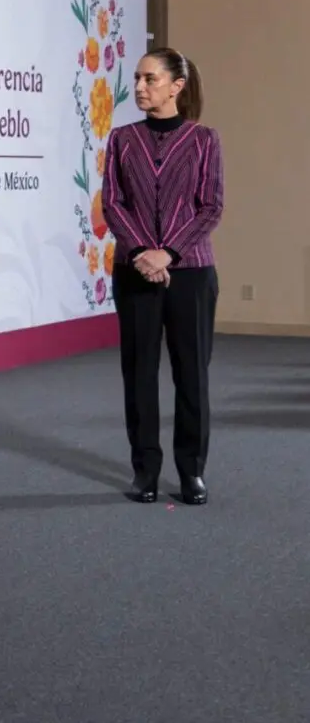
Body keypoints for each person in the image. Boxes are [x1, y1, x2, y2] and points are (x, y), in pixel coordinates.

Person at [100, 48, 224, 506]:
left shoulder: (205, 140)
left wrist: (167, 253)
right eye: (136, 78)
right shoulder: (120, 139)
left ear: (177, 86)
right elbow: (113, 204)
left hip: (190, 273)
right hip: (134, 271)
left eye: (150, 79)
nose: (139, 87)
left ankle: (191, 472)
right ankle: (145, 471)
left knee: (191, 375)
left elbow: (211, 206)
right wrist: (143, 255)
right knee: (139, 375)